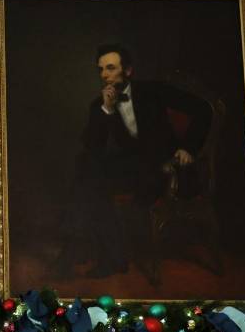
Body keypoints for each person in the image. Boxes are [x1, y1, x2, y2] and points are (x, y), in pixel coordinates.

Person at [77, 44, 213, 280]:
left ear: (128, 70)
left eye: (110, 68)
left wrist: (188, 148)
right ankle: (112, 257)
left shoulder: (154, 91)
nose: (104, 75)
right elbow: (93, 148)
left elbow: (203, 109)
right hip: (136, 169)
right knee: (86, 168)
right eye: (101, 70)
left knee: (89, 175)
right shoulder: (99, 105)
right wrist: (107, 110)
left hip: (167, 168)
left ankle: (86, 253)